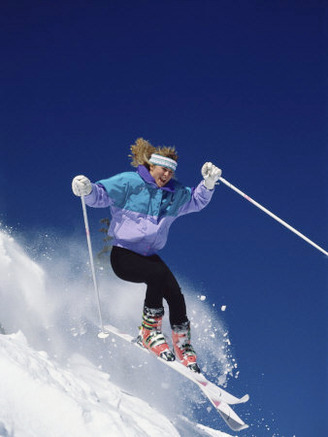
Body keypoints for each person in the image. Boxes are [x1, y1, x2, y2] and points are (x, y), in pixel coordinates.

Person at [72, 138, 222, 372]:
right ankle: (149, 332)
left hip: (149, 256)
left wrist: (209, 183)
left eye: (171, 172)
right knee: (157, 274)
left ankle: (182, 344)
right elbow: (100, 195)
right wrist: (88, 189)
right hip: (123, 255)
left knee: (174, 292)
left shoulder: (175, 194)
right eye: (164, 169)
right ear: (152, 166)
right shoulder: (130, 182)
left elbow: (196, 200)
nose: (167, 175)